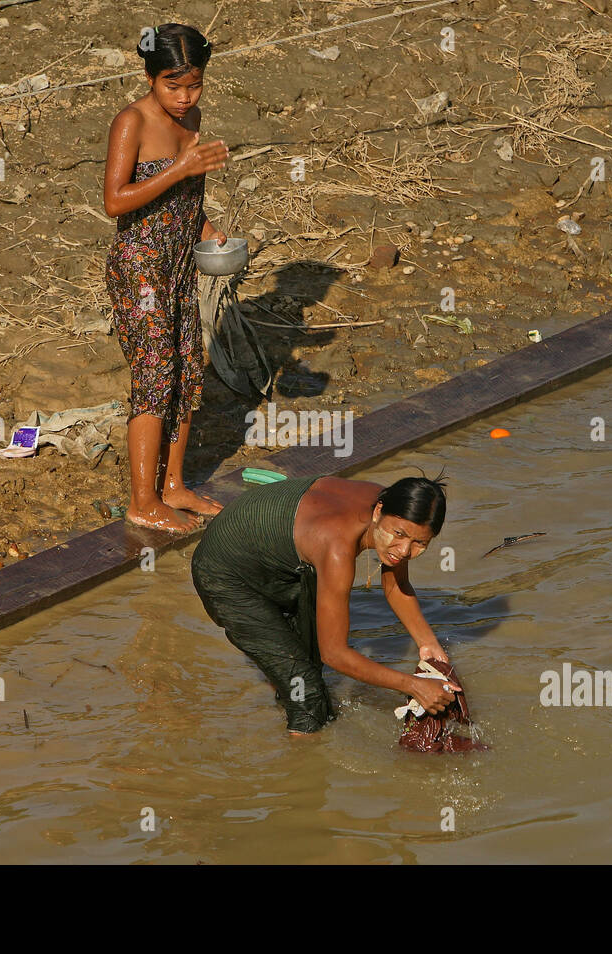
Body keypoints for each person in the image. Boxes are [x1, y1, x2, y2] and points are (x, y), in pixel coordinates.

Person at [191, 472, 459, 735]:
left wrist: (428, 644)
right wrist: (412, 686)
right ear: (378, 512)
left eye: (419, 543)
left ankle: (286, 697)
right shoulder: (337, 548)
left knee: (307, 665)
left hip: (278, 561)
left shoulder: (395, 507)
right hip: (224, 573)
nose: (404, 550)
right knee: (307, 696)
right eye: (399, 534)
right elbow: (335, 654)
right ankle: (303, 767)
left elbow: (394, 585)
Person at [103, 22, 230, 533]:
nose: (183, 97)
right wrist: (179, 167)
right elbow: (115, 201)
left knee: (185, 369)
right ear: (150, 77)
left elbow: (186, 199)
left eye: (193, 84)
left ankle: (173, 485)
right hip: (140, 266)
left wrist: (209, 231)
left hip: (179, 263)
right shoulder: (131, 122)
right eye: (172, 85)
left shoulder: (193, 116)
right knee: (154, 374)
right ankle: (142, 500)